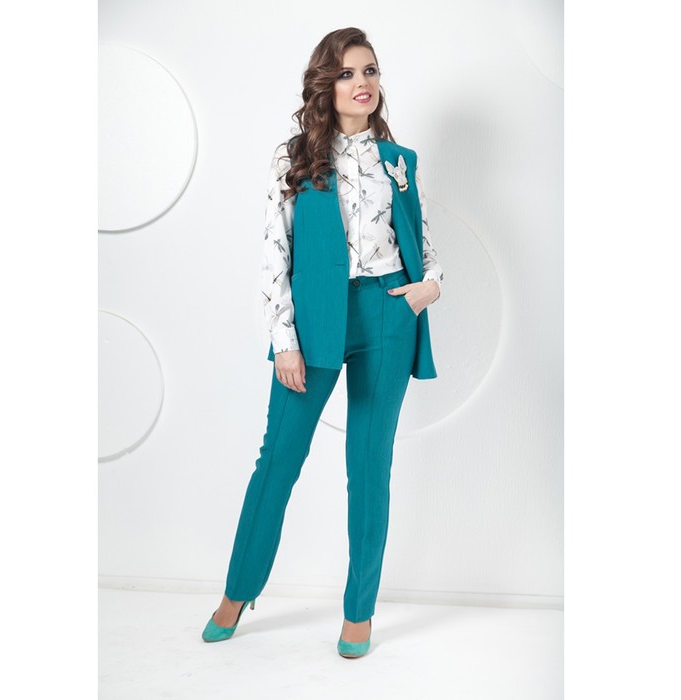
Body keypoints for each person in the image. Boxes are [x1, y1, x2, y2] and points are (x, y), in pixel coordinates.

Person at [202, 27, 443, 659]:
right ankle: (238, 591)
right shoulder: (296, 158)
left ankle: (359, 612)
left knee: (370, 468)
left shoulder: (400, 161)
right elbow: (273, 254)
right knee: (278, 460)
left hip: (389, 314)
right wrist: (284, 340)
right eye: (346, 73)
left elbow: (423, 243)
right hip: (313, 326)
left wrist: (428, 287)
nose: (362, 83)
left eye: (370, 70)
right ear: (325, 85)